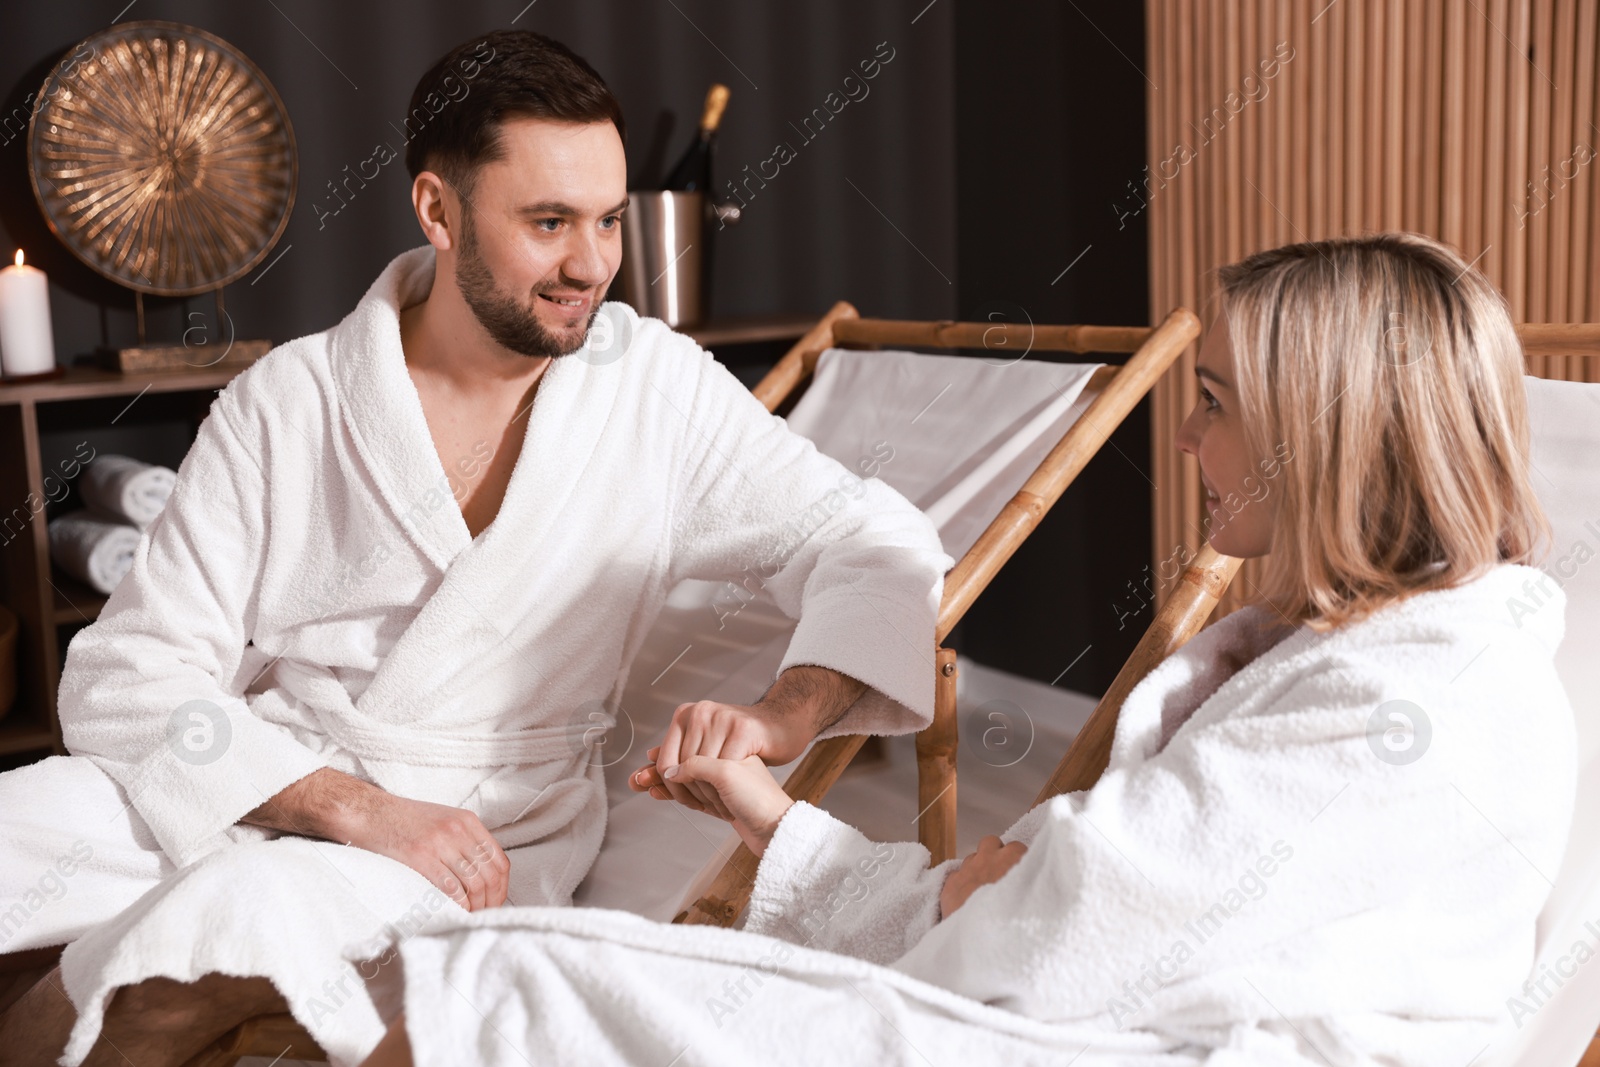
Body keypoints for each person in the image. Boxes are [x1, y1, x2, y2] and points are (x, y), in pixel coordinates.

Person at [357, 233, 1576, 1067]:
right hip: (1065, 1017)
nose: (1190, 436)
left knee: (507, 993)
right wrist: (778, 821)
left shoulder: (1422, 701)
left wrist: (1025, 869)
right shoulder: (1322, 653)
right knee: (504, 978)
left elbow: (1065, 931)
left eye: (1213, 401)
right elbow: (1048, 903)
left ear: (1320, 436)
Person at [0, 29, 952, 1067]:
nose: (590, 265)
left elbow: (871, 538)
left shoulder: (653, 392)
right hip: (274, 773)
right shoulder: (291, 401)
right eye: (548, 222)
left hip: (485, 829)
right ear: (437, 210)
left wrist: (782, 715)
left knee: (196, 947)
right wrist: (352, 804)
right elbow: (130, 673)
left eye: (606, 221)